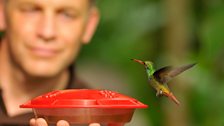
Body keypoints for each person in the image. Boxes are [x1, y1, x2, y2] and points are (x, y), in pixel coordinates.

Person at [0, 0, 100, 126]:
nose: (47, 32)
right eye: (31, 10)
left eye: (67, 15)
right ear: (2, 12)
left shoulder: (100, 118)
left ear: (89, 25)